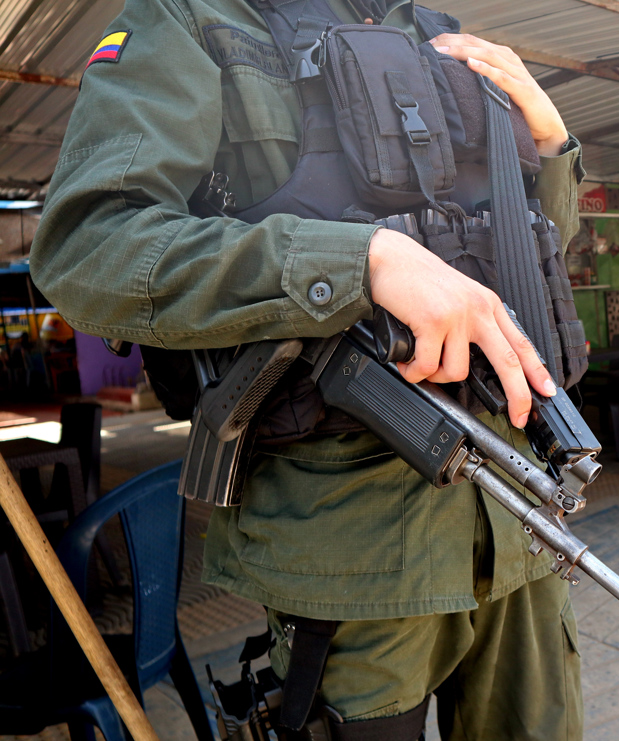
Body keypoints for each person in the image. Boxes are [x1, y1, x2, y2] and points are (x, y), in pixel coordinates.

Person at [30, 2, 587, 739]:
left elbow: (524, 254)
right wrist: (357, 263)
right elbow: (86, 250)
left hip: (519, 524)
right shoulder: (194, 19)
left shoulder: (432, 31)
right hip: (352, 556)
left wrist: (553, 148)